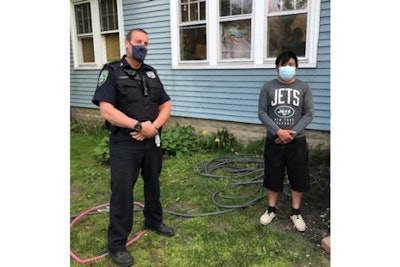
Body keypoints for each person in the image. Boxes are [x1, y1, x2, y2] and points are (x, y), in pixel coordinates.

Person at [92, 28, 174, 266]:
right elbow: (107, 110)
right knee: (122, 192)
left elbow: (166, 104)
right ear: (126, 44)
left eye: (146, 43)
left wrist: (153, 128)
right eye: (138, 42)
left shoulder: (151, 73)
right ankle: (117, 244)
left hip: (151, 141)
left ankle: (153, 220)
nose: (143, 46)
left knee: (153, 184)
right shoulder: (112, 72)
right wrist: (139, 126)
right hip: (125, 143)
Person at [257, 51, 314, 232]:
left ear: (296, 66)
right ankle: (271, 209)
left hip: (297, 141)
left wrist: (292, 132)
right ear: (276, 67)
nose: (287, 68)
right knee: (273, 174)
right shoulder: (268, 87)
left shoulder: (303, 87)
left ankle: (295, 212)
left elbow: (309, 113)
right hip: (274, 140)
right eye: (283, 64)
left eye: (291, 64)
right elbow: (262, 112)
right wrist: (278, 132)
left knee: (298, 176)